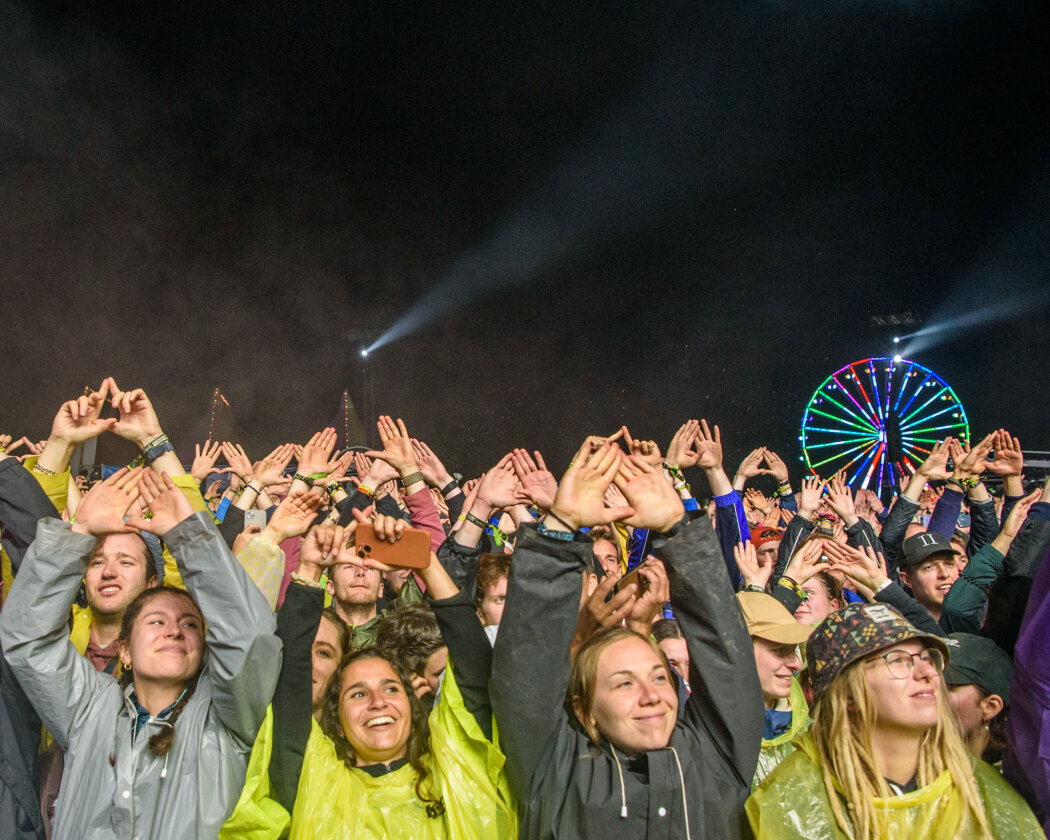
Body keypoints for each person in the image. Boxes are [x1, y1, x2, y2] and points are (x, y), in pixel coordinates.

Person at [492, 438, 763, 839]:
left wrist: (676, 527)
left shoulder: (716, 763)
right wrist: (560, 527)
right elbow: (530, 659)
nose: (652, 695)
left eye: (658, 677)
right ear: (584, 709)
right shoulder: (556, 774)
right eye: (623, 683)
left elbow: (726, 654)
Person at [0, 467, 281, 840]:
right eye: (155, 621)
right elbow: (28, 638)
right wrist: (79, 533)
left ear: (203, 651)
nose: (173, 629)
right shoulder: (88, 709)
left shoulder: (224, 722)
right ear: (125, 651)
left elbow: (250, 641)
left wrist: (189, 537)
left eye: (189, 623)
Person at [270, 516, 517, 839]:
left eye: (390, 688)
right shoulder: (312, 779)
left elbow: (473, 661)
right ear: (336, 714)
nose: (377, 703)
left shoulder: (458, 765)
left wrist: (424, 561)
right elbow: (292, 682)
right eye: (357, 694)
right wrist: (309, 570)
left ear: (413, 702)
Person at [746, 602, 1042, 839]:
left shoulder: (982, 789)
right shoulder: (792, 800)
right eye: (898, 659)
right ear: (847, 694)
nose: (927, 672)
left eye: (927, 658)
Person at [737, 591, 814, 788]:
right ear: (737, 651)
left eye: (794, 650)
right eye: (780, 651)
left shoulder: (809, 727)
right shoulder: (705, 733)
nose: (797, 664)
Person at [943, 632, 1011, 765]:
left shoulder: (1014, 778)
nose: (930, 693)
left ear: (990, 706)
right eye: (927, 680)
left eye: (948, 688)